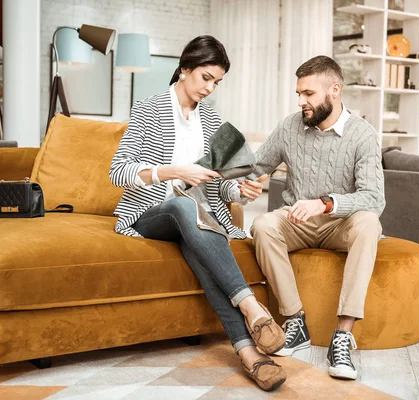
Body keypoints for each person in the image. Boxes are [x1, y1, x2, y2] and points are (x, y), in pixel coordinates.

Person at [109, 35, 286, 391]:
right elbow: (118, 171)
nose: (210, 87)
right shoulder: (149, 108)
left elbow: (216, 182)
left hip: (198, 219)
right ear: (185, 68)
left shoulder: (212, 120)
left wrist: (240, 191)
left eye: (217, 82)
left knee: (196, 237)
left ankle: (249, 354)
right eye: (206, 77)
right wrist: (176, 171)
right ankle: (251, 307)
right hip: (151, 212)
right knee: (180, 203)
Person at [247, 55, 385, 380]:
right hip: (298, 222)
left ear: (334, 90)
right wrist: (243, 179)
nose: (301, 101)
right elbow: (255, 167)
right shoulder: (290, 126)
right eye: (298, 94)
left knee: (369, 223)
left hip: (340, 223)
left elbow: (373, 198)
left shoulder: (363, 135)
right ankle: (295, 322)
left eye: (308, 94)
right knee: (263, 224)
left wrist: (324, 204)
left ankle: (343, 334)